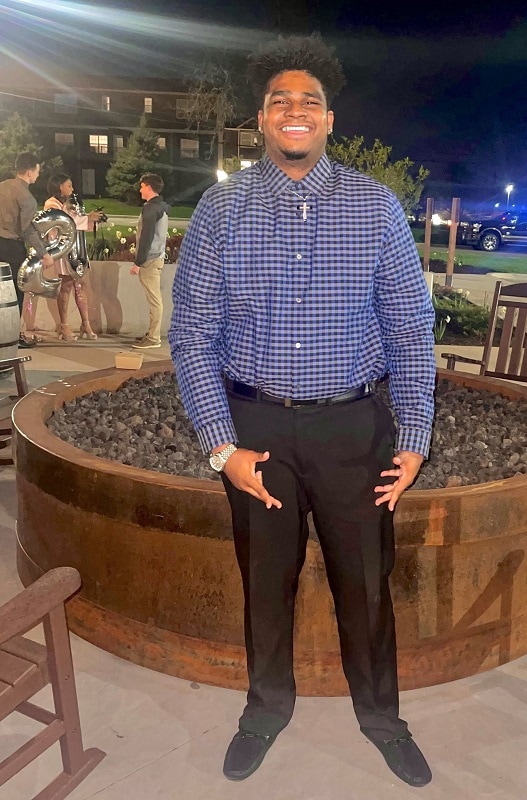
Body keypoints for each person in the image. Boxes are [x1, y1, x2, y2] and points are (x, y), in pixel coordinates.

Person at [169, 34, 436, 788]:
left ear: (327, 121)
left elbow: (409, 330)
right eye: (281, 100)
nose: (295, 111)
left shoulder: (374, 207)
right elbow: (191, 335)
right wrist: (223, 447)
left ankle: (382, 719)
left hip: (353, 430)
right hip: (256, 429)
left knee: (365, 584)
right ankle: (263, 709)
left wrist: (412, 437)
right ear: (261, 118)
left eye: (309, 102)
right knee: (265, 582)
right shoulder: (222, 211)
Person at [0, 152, 54, 347]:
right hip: (11, 249)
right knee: (14, 294)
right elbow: (27, 230)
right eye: (38, 171)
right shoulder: (27, 198)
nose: (38, 176)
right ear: (30, 172)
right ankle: (12, 337)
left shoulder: (2, 186)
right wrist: (44, 254)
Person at [44, 173, 103, 340]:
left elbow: (75, 220)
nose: (72, 188)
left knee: (81, 284)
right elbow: (64, 223)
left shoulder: (67, 204)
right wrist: (85, 218)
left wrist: (90, 218)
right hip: (63, 252)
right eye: (69, 185)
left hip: (76, 251)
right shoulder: (51, 205)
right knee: (67, 286)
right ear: (59, 186)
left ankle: (85, 323)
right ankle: (64, 326)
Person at [130, 173, 169, 349]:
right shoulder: (161, 207)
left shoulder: (150, 209)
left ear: (148, 187)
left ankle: (153, 338)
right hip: (156, 258)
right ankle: (152, 335)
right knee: (155, 299)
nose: (140, 189)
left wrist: (138, 263)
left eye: (142, 186)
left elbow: (146, 237)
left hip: (150, 260)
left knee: (154, 300)